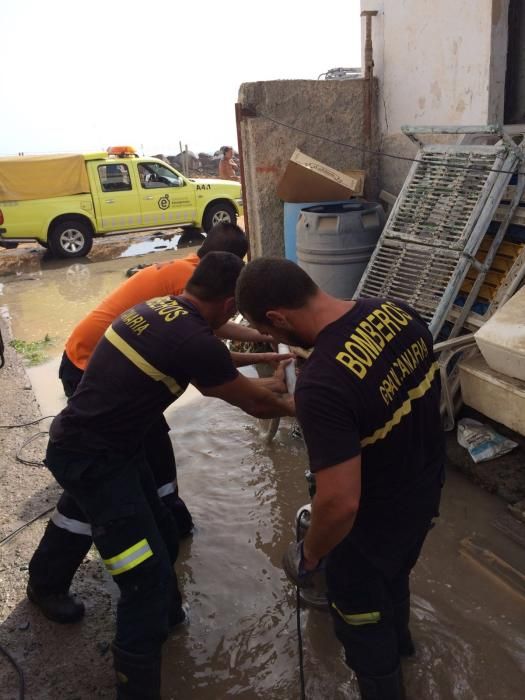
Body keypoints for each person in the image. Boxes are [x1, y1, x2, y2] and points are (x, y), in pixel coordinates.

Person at [28, 252, 294, 699]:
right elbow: (253, 401)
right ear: (229, 305)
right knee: (143, 578)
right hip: (94, 458)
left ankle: (58, 586)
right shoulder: (192, 340)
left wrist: (274, 374)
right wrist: (304, 405)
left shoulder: (157, 309)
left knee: (161, 532)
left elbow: (225, 374)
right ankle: (137, 680)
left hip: (102, 444)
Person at [236, 258, 445, 700]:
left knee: (360, 616)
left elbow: (339, 504)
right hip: (424, 493)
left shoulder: (322, 386)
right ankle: (404, 648)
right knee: (397, 578)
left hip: (371, 527)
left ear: (277, 317)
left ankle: (384, 684)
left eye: (269, 332)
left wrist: (310, 556)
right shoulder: (396, 312)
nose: (274, 340)